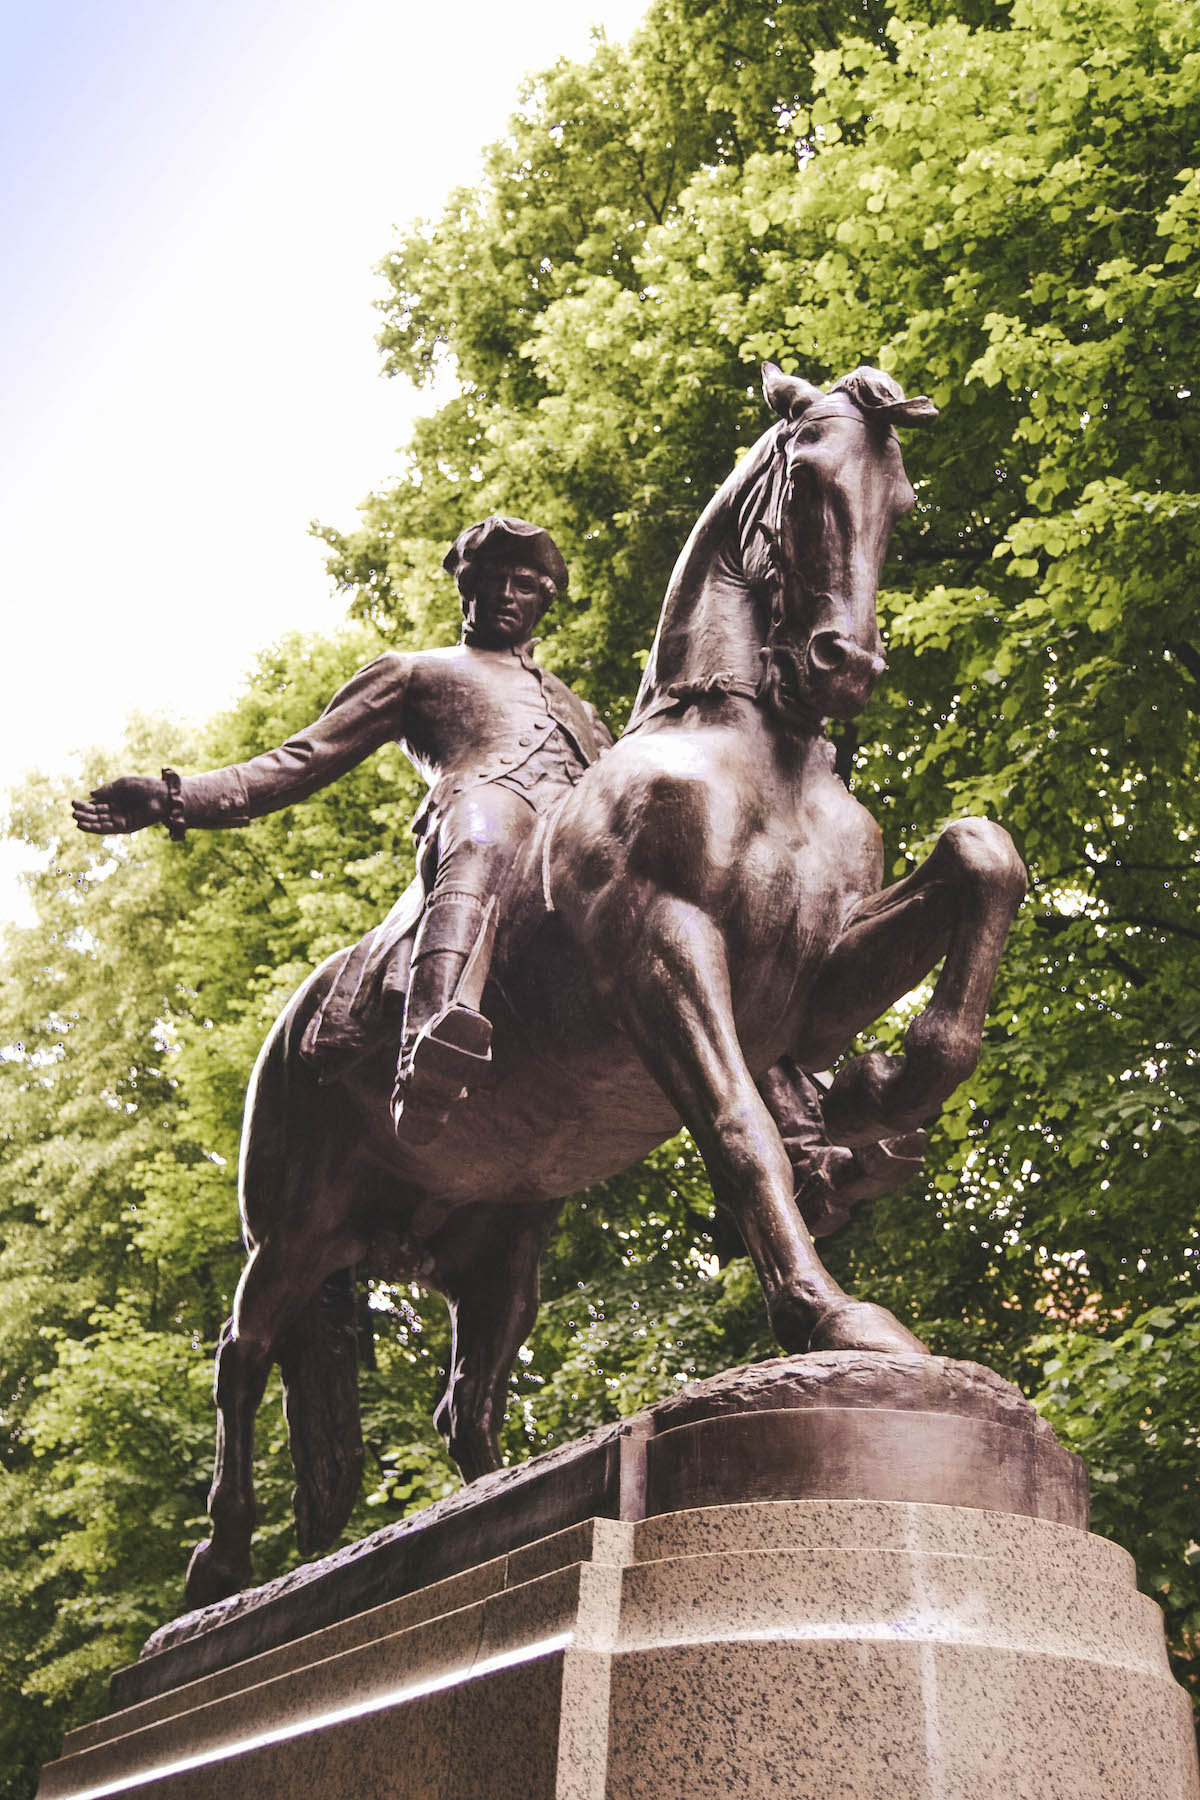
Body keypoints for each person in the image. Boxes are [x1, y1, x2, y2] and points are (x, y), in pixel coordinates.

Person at [73, 516, 613, 1142]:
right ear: (465, 589)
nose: (505, 594)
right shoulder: (412, 673)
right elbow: (300, 761)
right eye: (491, 580)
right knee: (483, 826)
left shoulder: (580, 708)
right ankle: (430, 1045)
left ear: (545, 598)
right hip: (482, 814)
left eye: (524, 583)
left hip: (568, 839)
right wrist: (178, 797)